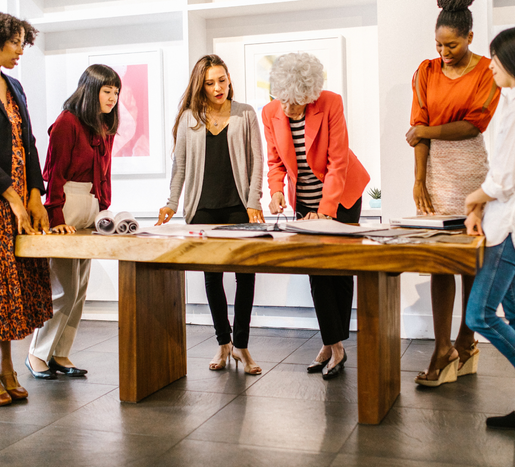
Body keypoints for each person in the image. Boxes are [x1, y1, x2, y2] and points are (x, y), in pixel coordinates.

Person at [406, 0, 501, 387]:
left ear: (470, 38)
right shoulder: (426, 71)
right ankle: (442, 347)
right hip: (436, 174)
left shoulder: (485, 71)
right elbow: (418, 133)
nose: (444, 52)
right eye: (439, 45)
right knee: (437, 261)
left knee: (467, 260)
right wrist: (418, 179)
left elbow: (472, 126)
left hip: (471, 170)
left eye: (452, 44)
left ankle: (466, 340)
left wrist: (424, 129)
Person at [262, 52, 370, 380]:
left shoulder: (330, 103)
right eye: (283, 100)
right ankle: (332, 344)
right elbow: (275, 162)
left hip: (342, 197)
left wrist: (325, 213)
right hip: (303, 202)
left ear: (309, 97)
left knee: (338, 268)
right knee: (315, 270)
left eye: (295, 103)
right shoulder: (270, 111)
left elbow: (338, 163)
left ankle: (333, 345)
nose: (287, 109)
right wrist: (277, 191)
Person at [157, 54, 264, 374]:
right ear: (200, 86)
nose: (218, 87)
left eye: (222, 80)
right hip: (202, 210)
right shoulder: (190, 118)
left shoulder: (245, 114)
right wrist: (172, 204)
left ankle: (242, 347)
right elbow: (180, 168)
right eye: (210, 83)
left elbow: (258, 160)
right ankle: (223, 343)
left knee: (245, 276)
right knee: (212, 278)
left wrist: (254, 200)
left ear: (229, 79)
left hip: (238, 208)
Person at [27, 65, 120, 379]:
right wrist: (55, 218)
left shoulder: (103, 126)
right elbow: (54, 173)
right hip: (65, 204)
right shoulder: (68, 121)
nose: (112, 97)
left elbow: (104, 175)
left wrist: (104, 211)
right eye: (107, 91)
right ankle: (37, 355)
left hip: (90, 207)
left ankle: (61, 354)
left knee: (80, 289)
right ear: (91, 90)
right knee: (63, 288)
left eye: (116, 92)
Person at [0, 7, 52, 405]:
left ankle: (6, 363)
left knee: (11, 290)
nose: (20, 50)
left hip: (17, 203)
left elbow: (29, 143)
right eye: (14, 43)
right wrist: (10, 192)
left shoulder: (15, 86)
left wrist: (34, 194)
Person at [465, 27, 515, 428]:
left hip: (507, 230)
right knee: (513, 314)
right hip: (503, 223)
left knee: (480, 316)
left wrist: (474, 199)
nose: (491, 65)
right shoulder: (508, 99)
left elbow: (504, 178)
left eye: (496, 59)